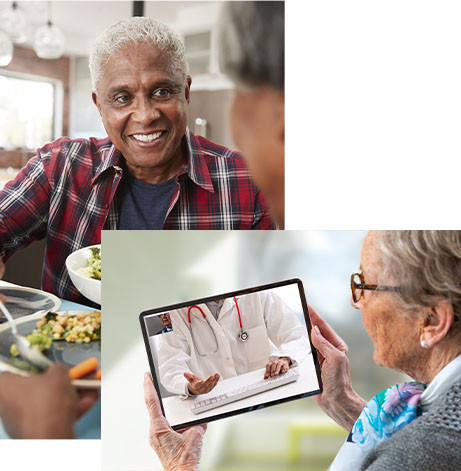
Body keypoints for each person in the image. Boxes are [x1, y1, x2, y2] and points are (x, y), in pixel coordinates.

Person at [0, 16, 274, 306]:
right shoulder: (60, 166)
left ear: (186, 91)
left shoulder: (253, 179)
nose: (145, 115)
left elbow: (280, 294)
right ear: (99, 105)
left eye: (162, 91)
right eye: (122, 97)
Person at [145, 230, 461, 471]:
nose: (356, 302)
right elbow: (168, 364)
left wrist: (180, 464)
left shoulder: (427, 449)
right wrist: (344, 403)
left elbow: (294, 334)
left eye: (364, 285)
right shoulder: (438, 413)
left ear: (432, 320)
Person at [157, 292, 308, 396]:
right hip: (214, 401)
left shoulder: (258, 295)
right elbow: (170, 366)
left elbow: (296, 335)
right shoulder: (174, 313)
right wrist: (189, 387)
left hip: (266, 392)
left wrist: (285, 358)